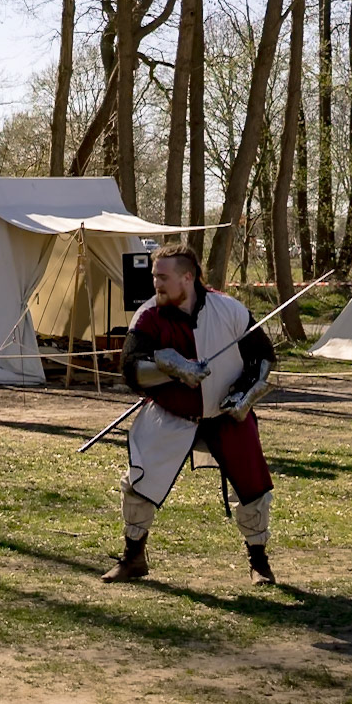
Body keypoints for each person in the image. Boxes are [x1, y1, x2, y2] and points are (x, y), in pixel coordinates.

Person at [104, 243, 276, 586]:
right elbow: (130, 368)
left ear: (188, 277)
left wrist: (245, 393)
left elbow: (263, 355)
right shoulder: (149, 316)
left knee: (253, 487)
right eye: (154, 276)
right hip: (170, 413)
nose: (156, 284)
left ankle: (259, 563)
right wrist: (173, 368)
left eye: (163, 277)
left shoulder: (229, 309)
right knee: (139, 482)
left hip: (227, 416)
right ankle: (133, 557)